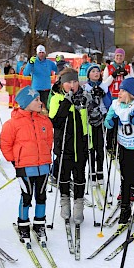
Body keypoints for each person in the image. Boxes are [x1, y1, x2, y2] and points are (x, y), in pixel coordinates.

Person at [0, 86, 53, 241]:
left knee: (41, 195)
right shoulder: (13, 123)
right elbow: (5, 144)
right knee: (27, 195)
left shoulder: (44, 120)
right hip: (24, 167)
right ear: (26, 103)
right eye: (36, 100)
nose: (40, 102)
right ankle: (23, 224)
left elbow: (49, 140)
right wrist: (15, 160)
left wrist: (45, 155)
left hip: (43, 165)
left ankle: (39, 224)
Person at [104, 77, 134, 227]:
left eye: (123, 90)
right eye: (119, 89)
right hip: (124, 148)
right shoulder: (116, 104)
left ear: (132, 94)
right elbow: (107, 119)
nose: (119, 93)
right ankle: (125, 209)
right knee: (125, 180)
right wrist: (111, 122)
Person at [49, 68, 89, 225]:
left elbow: (89, 120)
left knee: (79, 175)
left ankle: (79, 204)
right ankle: (64, 201)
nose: (72, 85)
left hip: (81, 144)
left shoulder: (84, 97)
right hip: (64, 143)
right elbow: (55, 122)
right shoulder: (56, 99)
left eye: (75, 81)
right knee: (64, 175)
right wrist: (67, 102)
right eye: (69, 82)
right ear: (62, 83)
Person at [84, 64, 112, 185]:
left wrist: (103, 94)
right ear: (89, 74)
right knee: (91, 147)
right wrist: (91, 95)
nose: (96, 73)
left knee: (100, 146)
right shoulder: (85, 87)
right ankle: (91, 172)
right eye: (93, 71)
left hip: (101, 118)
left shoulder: (104, 86)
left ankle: (100, 171)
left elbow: (109, 103)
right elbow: (84, 102)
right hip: (89, 120)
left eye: (97, 71)